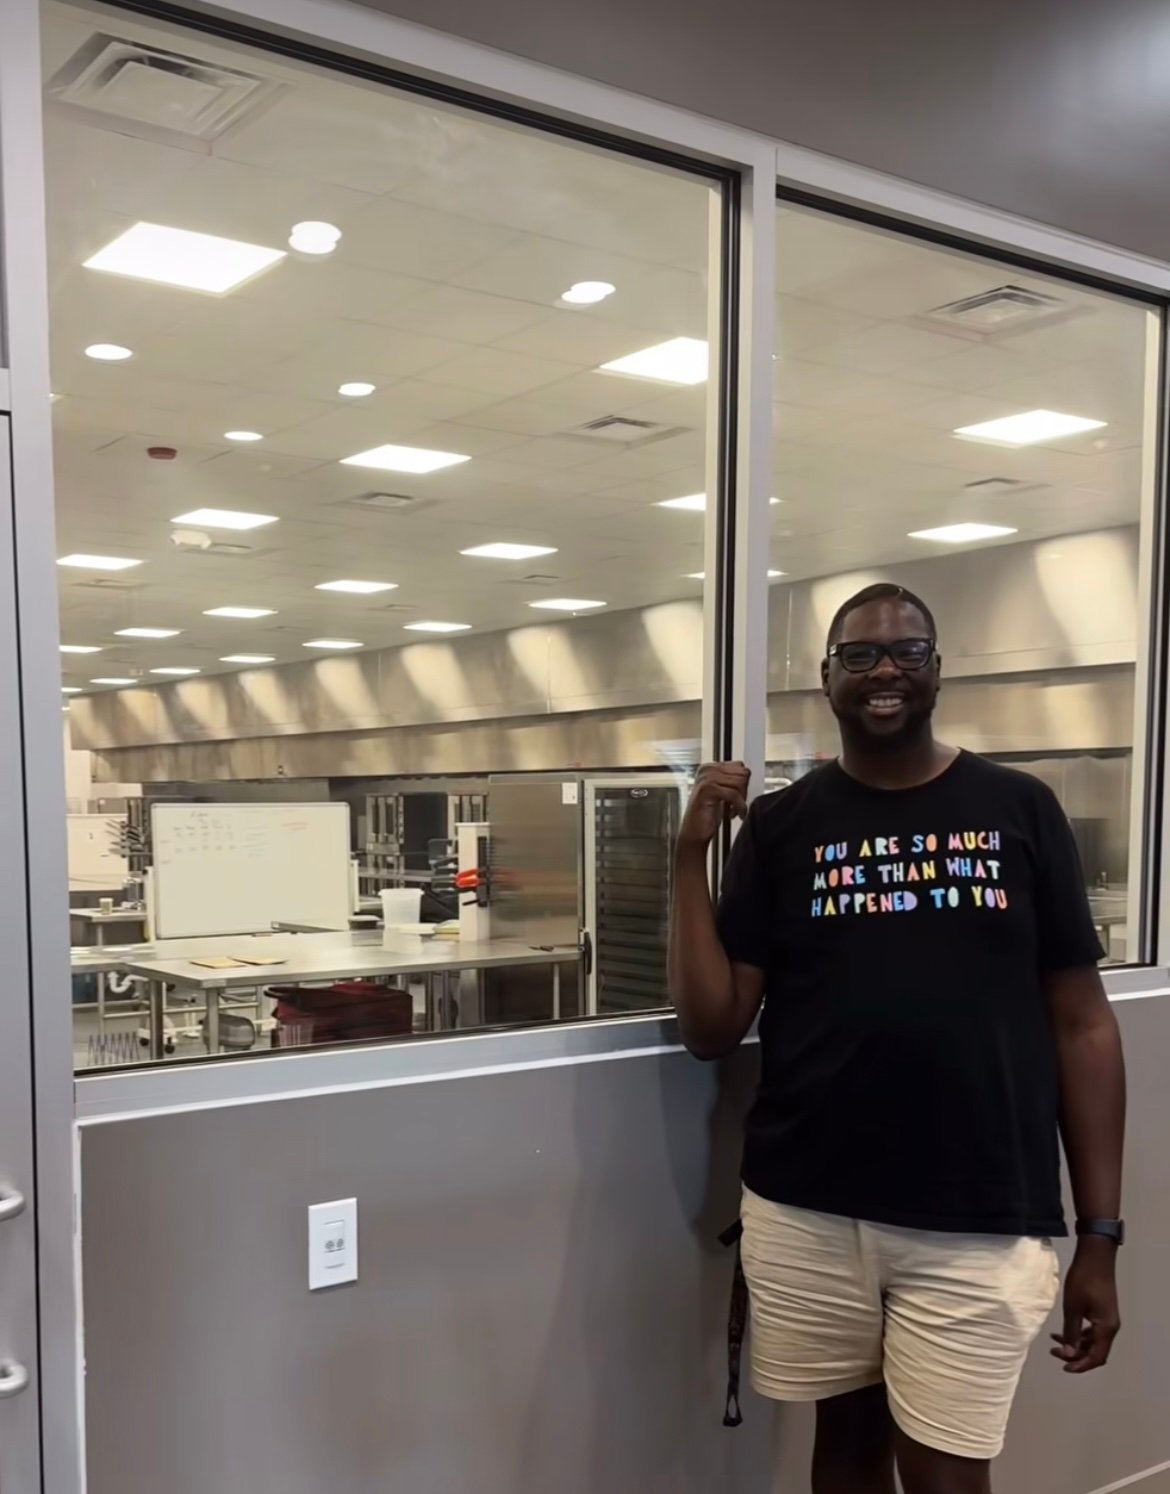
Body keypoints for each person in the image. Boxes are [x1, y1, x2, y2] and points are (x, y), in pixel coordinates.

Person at [668, 583, 1126, 1494]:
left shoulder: (1020, 808)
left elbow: (1083, 1024)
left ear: (937, 670)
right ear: (827, 678)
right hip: (807, 1207)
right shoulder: (784, 827)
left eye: (907, 652)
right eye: (861, 655)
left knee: (949, 1474)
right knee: (842, 1458)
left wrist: (1101, 1236)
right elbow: (713, 1027)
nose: (885, 670)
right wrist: (688, 857)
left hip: (979, 1214)